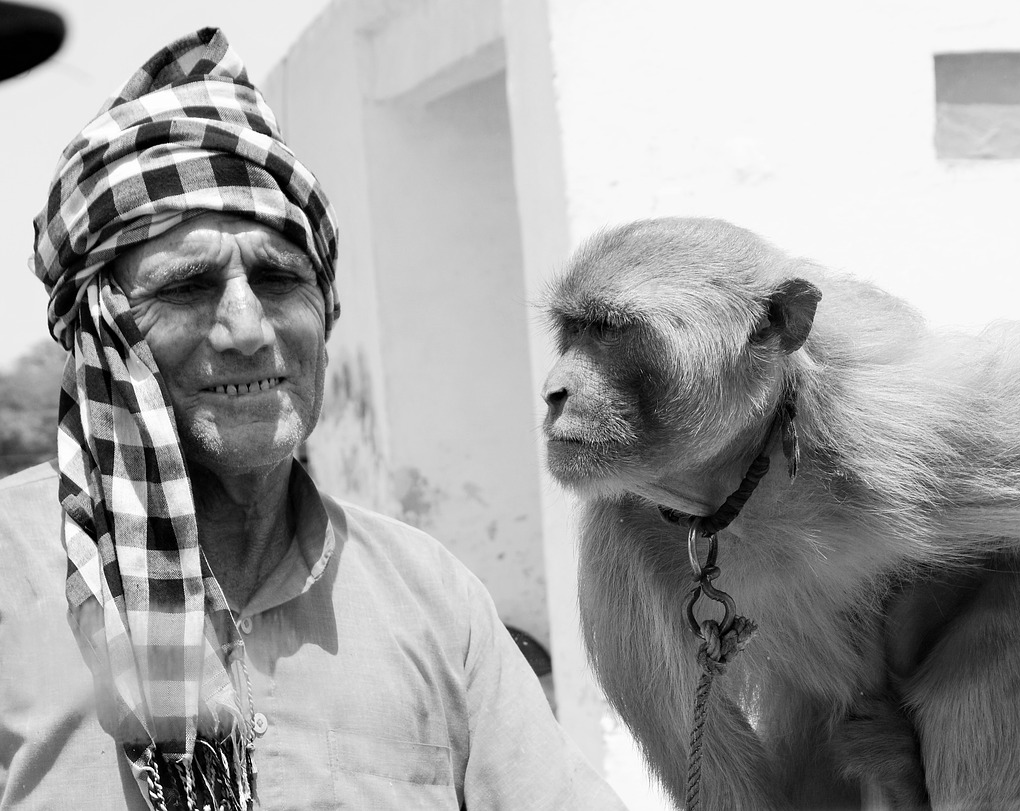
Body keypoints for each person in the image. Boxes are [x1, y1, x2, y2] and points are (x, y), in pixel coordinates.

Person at [0, 28, 625, 811]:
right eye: (189, 286)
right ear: (101, 331)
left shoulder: (426, 597)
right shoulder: (11, 575)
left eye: (277, 279)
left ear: (323, 308)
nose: (248, 327)